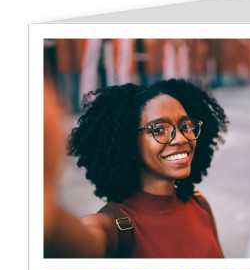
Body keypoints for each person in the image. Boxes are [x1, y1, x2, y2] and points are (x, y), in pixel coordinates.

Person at [45, 78, 227, 258]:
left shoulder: (200, 205)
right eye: (159, 129)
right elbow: (73, 241)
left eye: (186, 126)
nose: (181, 138)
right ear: (130, 143)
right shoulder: (112, 228)